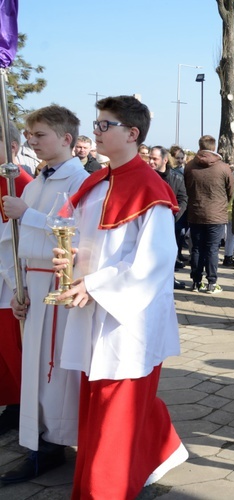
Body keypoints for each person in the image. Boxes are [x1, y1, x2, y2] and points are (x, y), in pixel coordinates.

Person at [50, 95, 186, 498]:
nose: (96, 131)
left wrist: (91, 284)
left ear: (132, 133)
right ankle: (160, 448)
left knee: (117, 411)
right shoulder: (98, 183)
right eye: (97, 124)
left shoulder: (150, 189)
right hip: (93, 307)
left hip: (128, 319)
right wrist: (72, 260)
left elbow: (153, 263)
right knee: (100, 403)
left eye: (104, 125)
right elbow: (93, 243)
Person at [0, 105, 89, 484]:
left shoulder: (80, 181)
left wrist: (28, 214)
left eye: (41, 135)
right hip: (31, 287)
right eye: (30, 136)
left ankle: (54, 443)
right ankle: (34, 438)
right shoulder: (35, 183)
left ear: (66, 139)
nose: (33, 142)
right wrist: (14, 286)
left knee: (53, 371)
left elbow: (79, 232)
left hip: (59, 284)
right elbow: (12, 241)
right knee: (33, 368)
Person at [0, 123, 33, 436]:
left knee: (13, 349)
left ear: (11, 149)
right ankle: (11, 403)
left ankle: (22, 408)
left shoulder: (20, 183)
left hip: (11, 281)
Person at [184, 135, 234, 294]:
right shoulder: (223, 167)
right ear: (214, 147)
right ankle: (212, 283)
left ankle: (196, 282)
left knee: (197, 248)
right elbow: (231, 190)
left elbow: (186, 188)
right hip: (216, 215)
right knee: (212, 249)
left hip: (196, 213)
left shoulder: (189, 166)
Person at [148, 146, 188, 289]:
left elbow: (183, 198)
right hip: (148, 223)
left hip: (171, 222)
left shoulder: (176, 177)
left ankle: (169, 278)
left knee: (168, 253)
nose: (151, 162)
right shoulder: (145, 176)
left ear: (165, 160)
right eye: (149, 158)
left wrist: (175, 215)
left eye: (154, 159)